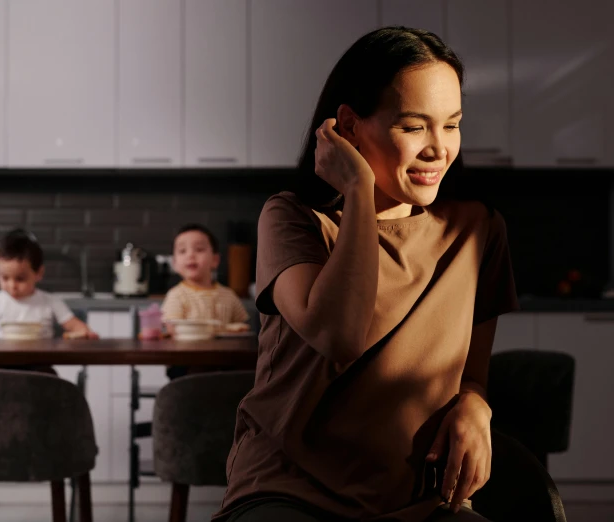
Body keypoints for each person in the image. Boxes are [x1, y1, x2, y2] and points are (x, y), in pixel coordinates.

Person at [215, 27, 518, 522]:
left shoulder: (479, 231)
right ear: (349, 126)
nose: (439, 148)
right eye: (414, 126)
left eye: (452, 124)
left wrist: (475, 408)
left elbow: (473, 377)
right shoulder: (292, 219)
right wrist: (356, 190)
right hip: (290, 491)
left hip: (419, 500)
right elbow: (339, 335)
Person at [0, 229, 97, 341]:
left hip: (40, 365)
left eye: (20, 279)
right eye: (4, 278)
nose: (12, 286)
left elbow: (77, 327)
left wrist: (85, 333)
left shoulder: (51, 302)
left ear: (39, 273)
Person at [161, 224, 250, 380]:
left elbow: (242, 329)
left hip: (225, 364)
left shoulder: (228, 295)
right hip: (186, 365)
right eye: (182, 251)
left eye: (199, 249)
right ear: (174, 264)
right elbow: (172, 328)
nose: (191, 255)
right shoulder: (176, 295)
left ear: (215, 260)